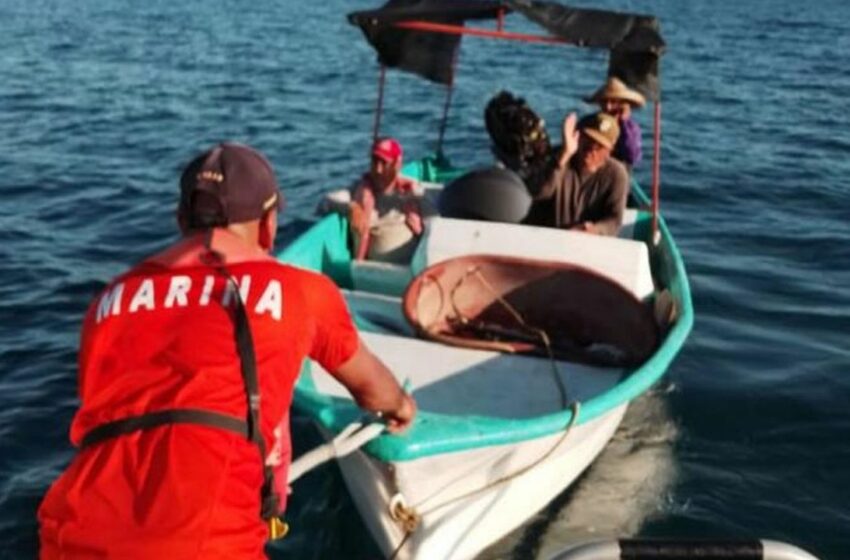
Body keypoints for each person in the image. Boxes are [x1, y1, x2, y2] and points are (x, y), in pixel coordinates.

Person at [37, 143, 416, 559]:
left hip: (70, 537)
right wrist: (401, 407)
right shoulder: (302, 293)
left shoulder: (106, 303)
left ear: (181, 220)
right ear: (269, 226)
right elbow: (374, 391)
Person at [524, 111, 629, 236]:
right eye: (587, 141)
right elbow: (539, 192)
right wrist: (564, 155)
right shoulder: (556, 158)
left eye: (599, 146)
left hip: (588, 245)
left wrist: (594, 230)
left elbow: (614, 220)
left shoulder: (616, 174)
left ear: (609, 150)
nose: (591, 149)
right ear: (577, 137)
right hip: (545, 238)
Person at [348, 138, 424, 263]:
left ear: (397, 164)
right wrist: (353, 207)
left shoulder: (411, 192)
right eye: (374, 161)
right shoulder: (361, 190)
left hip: (408, 270)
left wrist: (419, 228)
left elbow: (436, 229)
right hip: (366, 271)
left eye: (384, 163)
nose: (378, 169)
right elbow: (326, 203)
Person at [585, 76, 645, 170]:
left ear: (623, 104)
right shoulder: (590, 122)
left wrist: (623, 122)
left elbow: (633, 157)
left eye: (613, 102)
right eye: (604, 102)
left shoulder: (630, 128)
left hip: (617, 178)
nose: (608, 107)